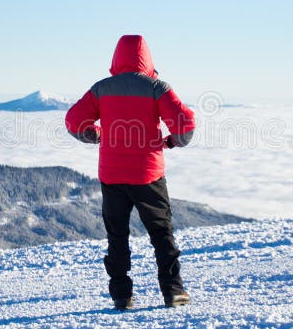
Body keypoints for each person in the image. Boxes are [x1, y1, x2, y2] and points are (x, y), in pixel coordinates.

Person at [65, 35, 196, 310]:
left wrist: (97, 134)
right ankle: (173, 291)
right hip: (148, 174)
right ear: (148, 58)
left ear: (116, 58)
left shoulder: (101, 89)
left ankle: (122, 296)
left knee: (117, 236)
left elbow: (74, 121)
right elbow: (186, 125)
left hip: (112, 176)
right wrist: (172, 141)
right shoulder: (157, 88)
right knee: (162, 234)